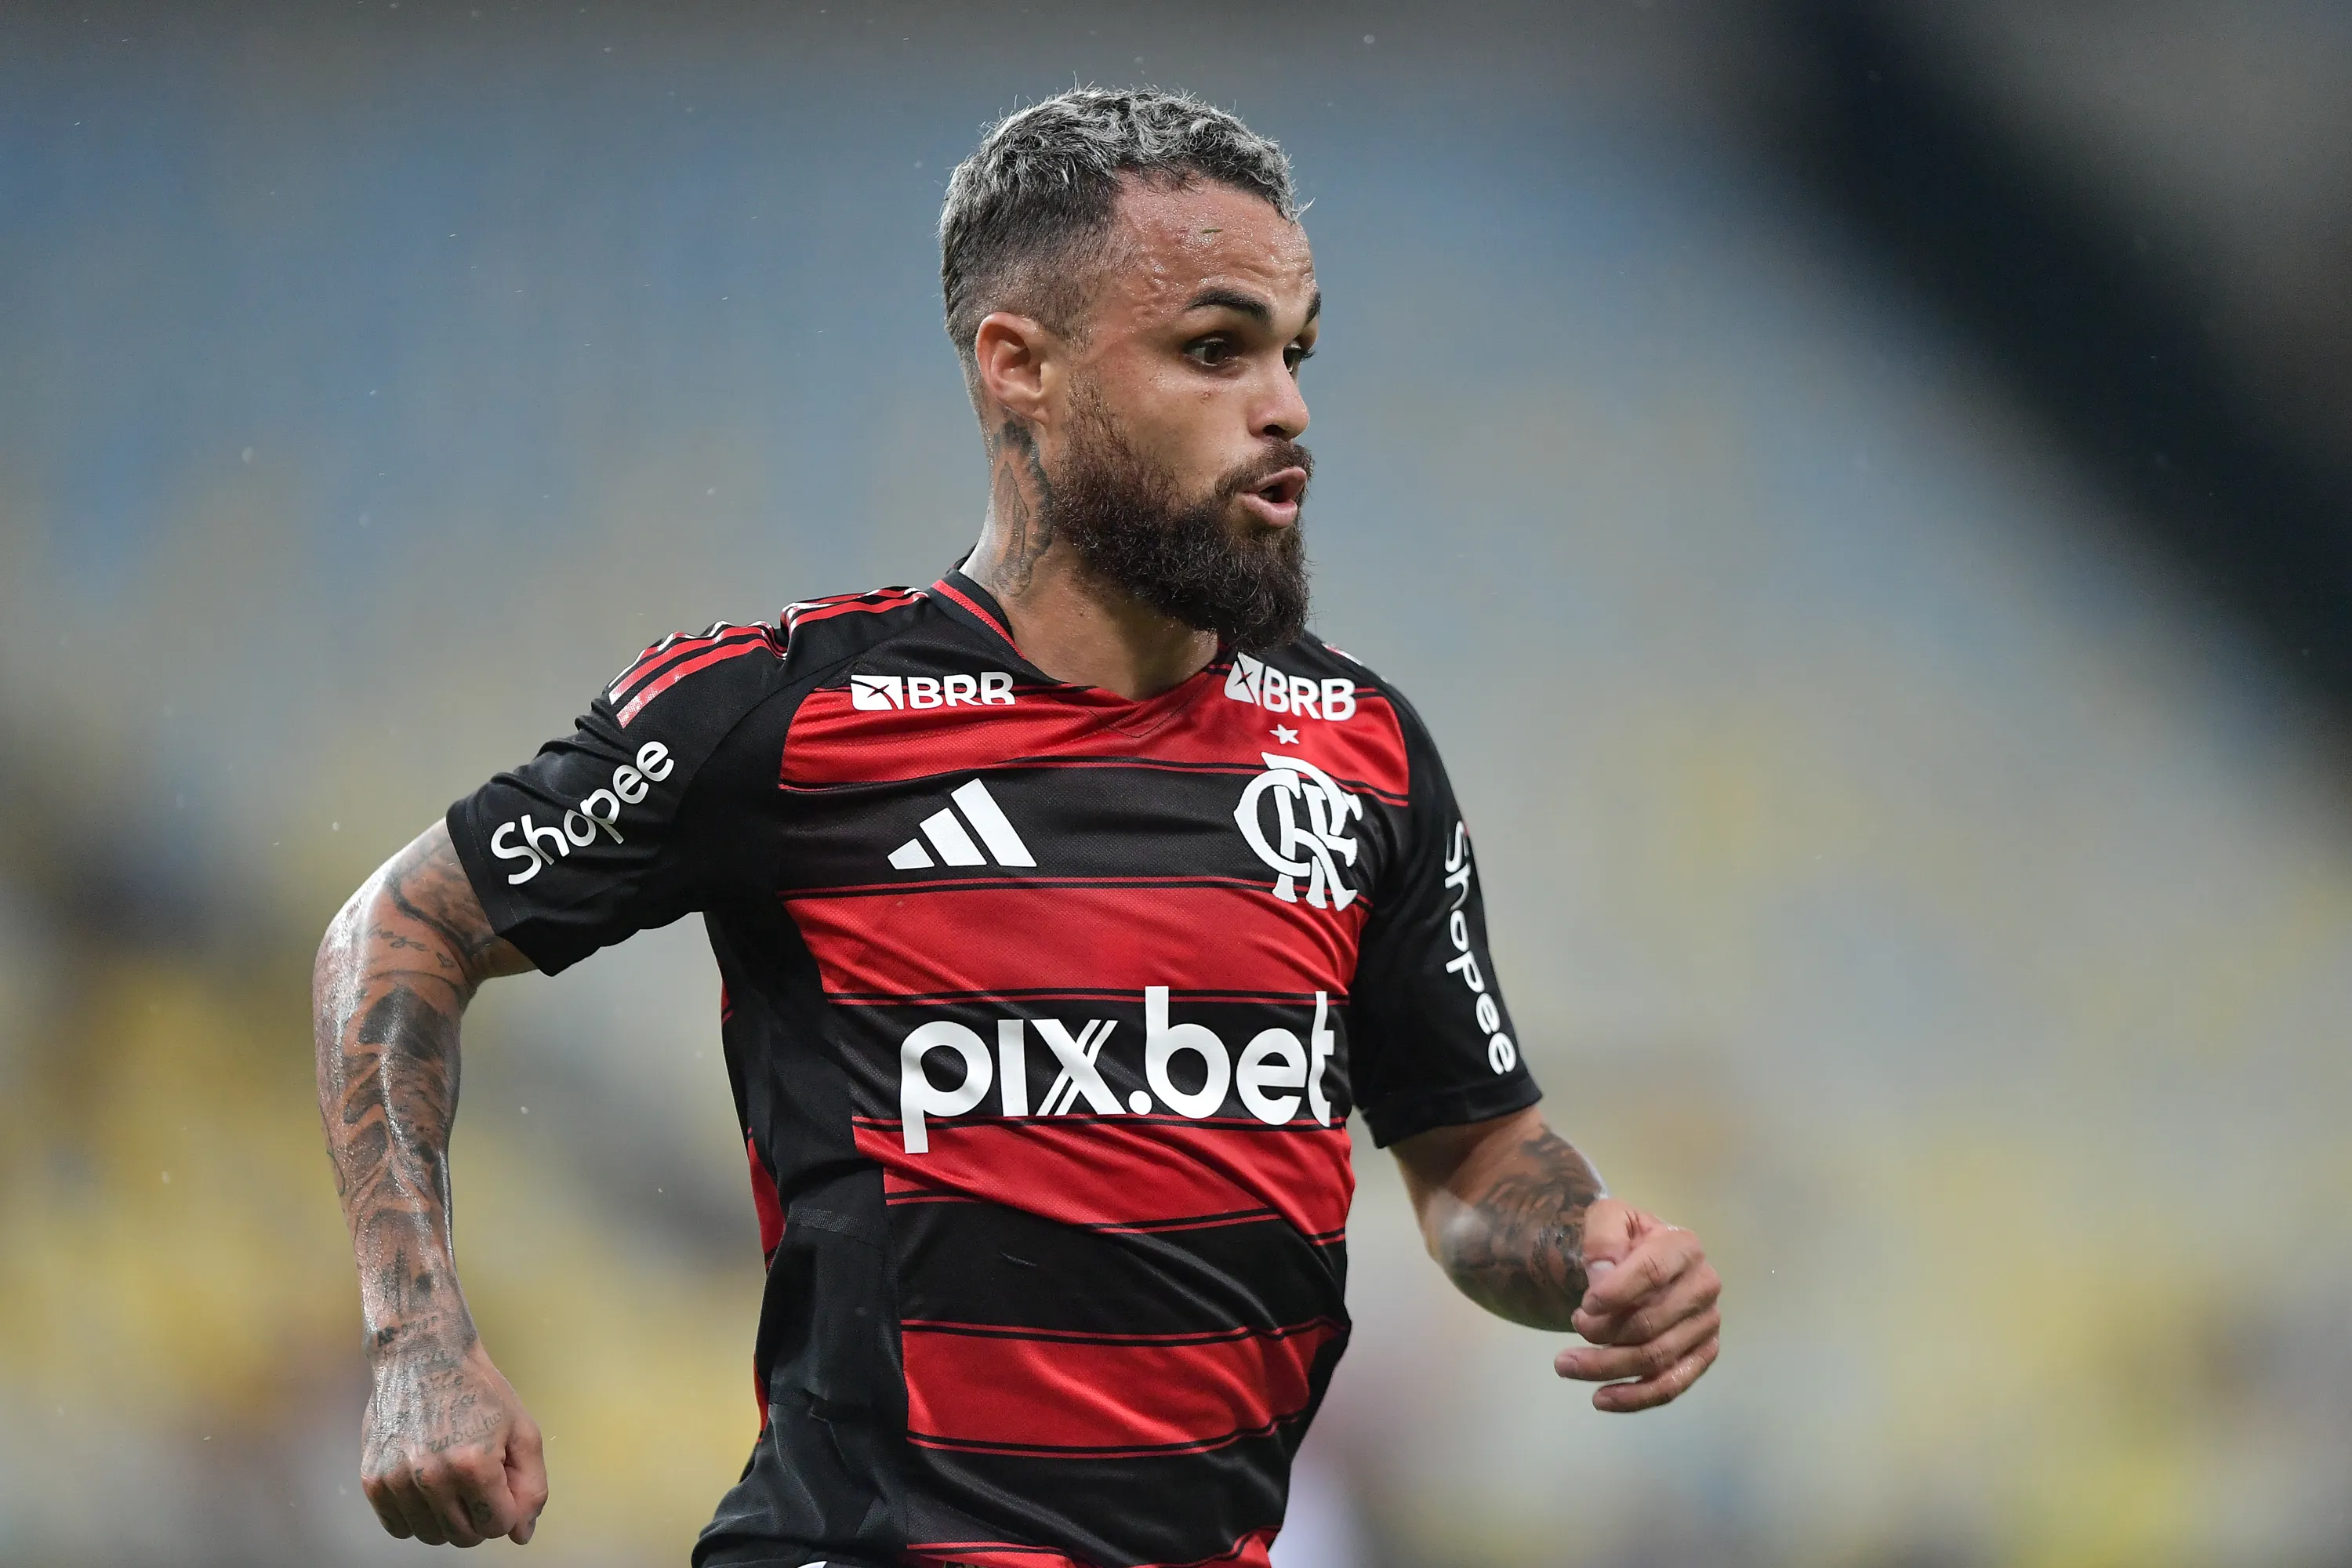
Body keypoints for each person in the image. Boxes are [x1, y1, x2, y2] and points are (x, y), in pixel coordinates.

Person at [312, 88, 1721, 1567]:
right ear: (1019, 366)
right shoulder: (787, 712)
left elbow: (1477, 1161)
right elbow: (399, 928)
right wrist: (415, 1338)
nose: (1287, 405)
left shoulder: (1360, 750)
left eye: (1295, 353)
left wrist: (1588, 1252)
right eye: (1214, 348)